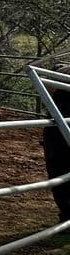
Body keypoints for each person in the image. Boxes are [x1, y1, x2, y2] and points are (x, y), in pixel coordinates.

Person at [41, 77, 70, 222]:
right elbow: (46, 86)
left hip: (57, 131)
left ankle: (66, 215)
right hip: (57, 130)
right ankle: (66, 215)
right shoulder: (60, 73)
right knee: (60, 171)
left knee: (60, 170)